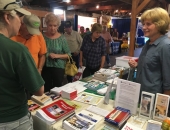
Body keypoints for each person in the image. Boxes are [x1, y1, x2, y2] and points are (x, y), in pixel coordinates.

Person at [0, 0, 44, 129]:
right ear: (7, 17)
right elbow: (39, 90)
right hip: (12, 119)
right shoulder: (16, 49)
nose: (20, 21)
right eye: (19, 17)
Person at [128, 7, 170, 96]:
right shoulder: (148, 43)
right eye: (143, 24)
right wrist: (137, 65)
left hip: (153, 98)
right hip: (141, 93)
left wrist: (162, 107)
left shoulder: (165, 46)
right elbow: (152, 67)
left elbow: (168, 80)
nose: (144, 27)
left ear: (160, 25)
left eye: (148, 24)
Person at [42, 13, 71, 92]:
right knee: (46, 88)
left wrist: (57, 56)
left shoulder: (62, 38)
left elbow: (68, 55)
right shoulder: (42, 37)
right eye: (50, 25)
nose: (52, 28)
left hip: (58, 68)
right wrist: (48, 55)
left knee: (57, 89)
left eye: (55, 26)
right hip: (45, 67)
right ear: (46, 25)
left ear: (58, 26)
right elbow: (39, 52)